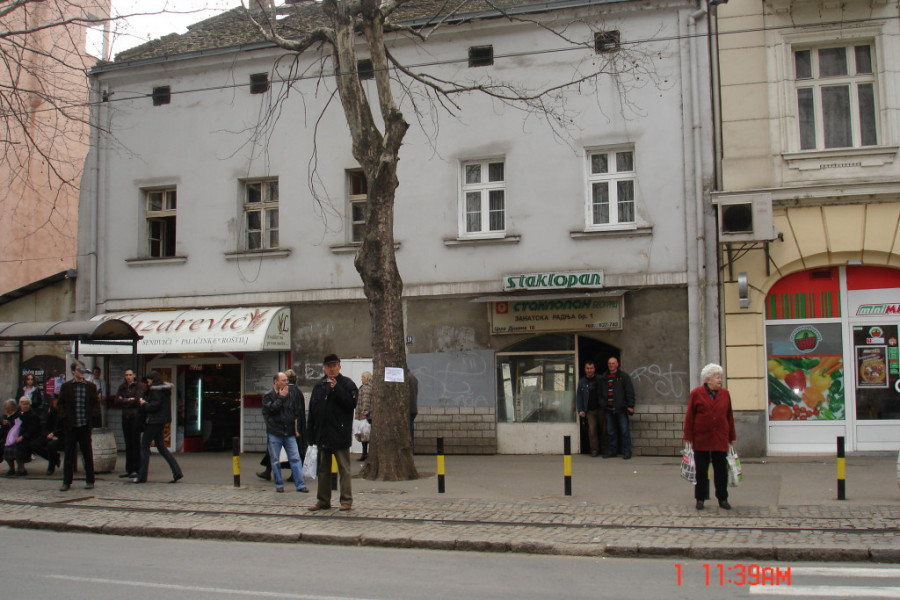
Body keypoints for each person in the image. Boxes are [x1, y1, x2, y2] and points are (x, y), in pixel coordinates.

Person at [307, 354, 358, 511]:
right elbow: (313, 411)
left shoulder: (347, 384)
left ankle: (346, 500)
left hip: (340, 433)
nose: (331, 369)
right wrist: (311, 434)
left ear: (339, 367)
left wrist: (337, 390)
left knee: (344, 468)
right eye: (329, 366)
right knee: (323, 470)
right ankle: (323, 500)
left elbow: (350, 404)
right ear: (324, 368)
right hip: (323, 434)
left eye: (334, 366)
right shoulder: (319, 386)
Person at [683, 363, 736, 511]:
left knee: (721, 471)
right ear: (708, 379)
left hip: (720, 437)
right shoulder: (696, 393)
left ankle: (723, 498)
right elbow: (690, 416)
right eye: (716, 377)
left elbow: (729, 415)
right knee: (701, 471)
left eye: (720, 377)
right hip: (701, 438)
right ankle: (700, 498)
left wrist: (732, 435)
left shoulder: (725, 394)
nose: (719, 380)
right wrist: (687, 435)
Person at [132, 371, 183, 484]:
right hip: (161, 421)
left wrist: (144, 403)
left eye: (149, 380)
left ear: (152, 379)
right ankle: (177, 472)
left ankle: (142, 476)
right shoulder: (164, 389)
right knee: (162, 447)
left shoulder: (155, 390)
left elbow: (154, 406)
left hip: (153, 421)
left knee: (144, 447)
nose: (148, 382)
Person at [57, 363, 101, 491]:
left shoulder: (90, 387)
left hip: (84, 425)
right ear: (73, 372)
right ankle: (66, 482)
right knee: (69, 455)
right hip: (71, 426)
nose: (81, 372)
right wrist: (64, 416)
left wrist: (92, 415)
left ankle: (90, 480)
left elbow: (95, 404)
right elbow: (60, 404)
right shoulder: (66, 387)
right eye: (78, 370)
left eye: (83, 370)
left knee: (87, 453)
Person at [262, 372, 308, 493]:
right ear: (275, 382)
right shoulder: (268, 396)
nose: (286, 383)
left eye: (286, 380)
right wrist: (281, 397)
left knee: (295, 458)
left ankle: (300, 484)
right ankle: (279, 485)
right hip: (275, 432)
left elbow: (294, 412)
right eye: (283, 380)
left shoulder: (291, 394)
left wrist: (296, 428)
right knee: (275, 460)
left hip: (289, 432)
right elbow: (270, 410)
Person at [601, 357, 636, 459]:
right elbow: (600, 393)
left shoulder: (623, 377)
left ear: (617, 364)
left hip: (621, 408)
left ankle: (627, 451)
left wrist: (630, 405)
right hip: (608, 409)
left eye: (613, 363)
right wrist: (603, 403)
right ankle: (612, 450)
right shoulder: (604, 378)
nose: (611, 365)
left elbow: (629, 391)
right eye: (609, 363)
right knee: (610, 431)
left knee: (624, 430)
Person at [114, 369, 144, 479]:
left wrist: (125, 400)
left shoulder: (138, 386)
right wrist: (128, 400)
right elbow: (117, 400)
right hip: (125, 417)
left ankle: (137, 468)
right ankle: (128, 469)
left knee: (135, 443)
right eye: (126, 375)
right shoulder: (122, 387)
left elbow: (137, 400)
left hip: (135, 417)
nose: (128, 377)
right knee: (128, 443)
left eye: (130, 375)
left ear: (134, 375)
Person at [576, 360, 604, 457]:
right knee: (592, 430)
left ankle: (605, 449)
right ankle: (594, 450)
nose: (589, 370)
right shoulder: (582, 381)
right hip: (590, 410)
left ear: (594, 369)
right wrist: (580, 410)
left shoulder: (601, 379)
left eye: (591, 368)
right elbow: (579, 396)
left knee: (604, 429)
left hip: (601, 409)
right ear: (584, 369)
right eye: (587, 368)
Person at [355, 371, 372, 461]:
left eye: (363, 377)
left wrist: (364, 413)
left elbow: (365, 401)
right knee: (366, 434)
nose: (361, 379)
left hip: (366, 416)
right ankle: (365, 453)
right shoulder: (369, 387)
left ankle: (365, 454)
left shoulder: (365, 388)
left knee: (364, 435)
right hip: (368, 415)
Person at [2, 399, 21, 476]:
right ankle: (11, 468)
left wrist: (9, 423)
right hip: (5, 437)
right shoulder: (5, 416)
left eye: (8, 408)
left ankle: (13, 468)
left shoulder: (17, 415)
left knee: (6, 448)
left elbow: (16, 427)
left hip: (13, 438)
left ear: (13, 408)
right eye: (6, 408)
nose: (6, 410)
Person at [408, 370, 418, 454]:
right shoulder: (413, 377)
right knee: (410, 429)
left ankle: (410, 451)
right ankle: (411, 451)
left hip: (408, 409)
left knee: (408, 431)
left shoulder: (405, 377)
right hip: (413, 408)